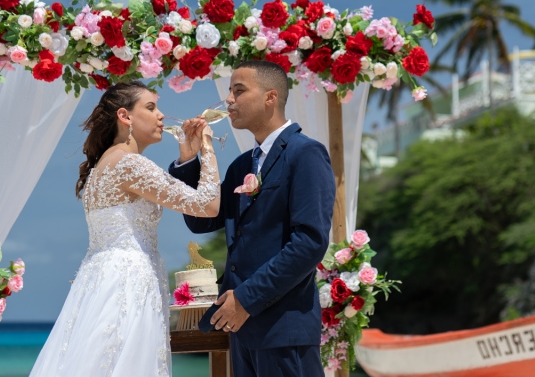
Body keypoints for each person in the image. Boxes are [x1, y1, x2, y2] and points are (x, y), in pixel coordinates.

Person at [30, 80, 220, 377]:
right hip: (129, 283)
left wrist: (186, 155)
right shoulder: (130, 164)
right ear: (125, 116)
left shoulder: (103, 165)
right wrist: (207, 147)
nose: (161, 115)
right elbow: (207, 206)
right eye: (151, 107)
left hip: (101, 279)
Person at [169, 60, 336, 377]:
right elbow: (201, 221)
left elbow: (310, 243)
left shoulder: (305, 154)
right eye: (230, 92)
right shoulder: (241, 165)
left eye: (239, 90)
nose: (229, 100)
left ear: (271, 97)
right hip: (241, 331)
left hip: (283, 327)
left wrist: (245, 298)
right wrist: (189, 159)